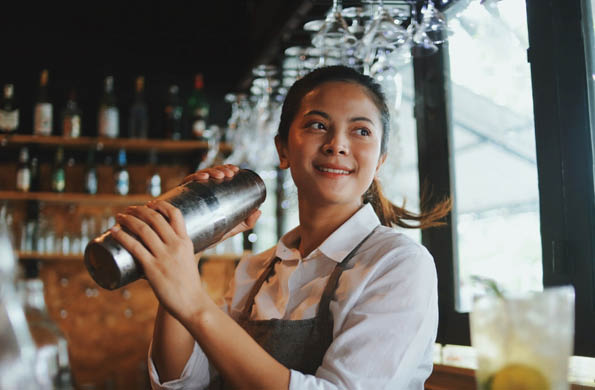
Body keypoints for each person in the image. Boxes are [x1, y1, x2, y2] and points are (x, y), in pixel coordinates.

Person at [109, 65, 451, 389]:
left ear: (379, 163)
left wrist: (194, 304)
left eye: (361, 131)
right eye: (318, 125)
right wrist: (189, 246)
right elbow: (184, 383)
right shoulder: (256, 270)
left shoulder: (399, 264)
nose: (338, 144)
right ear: (283, 149)